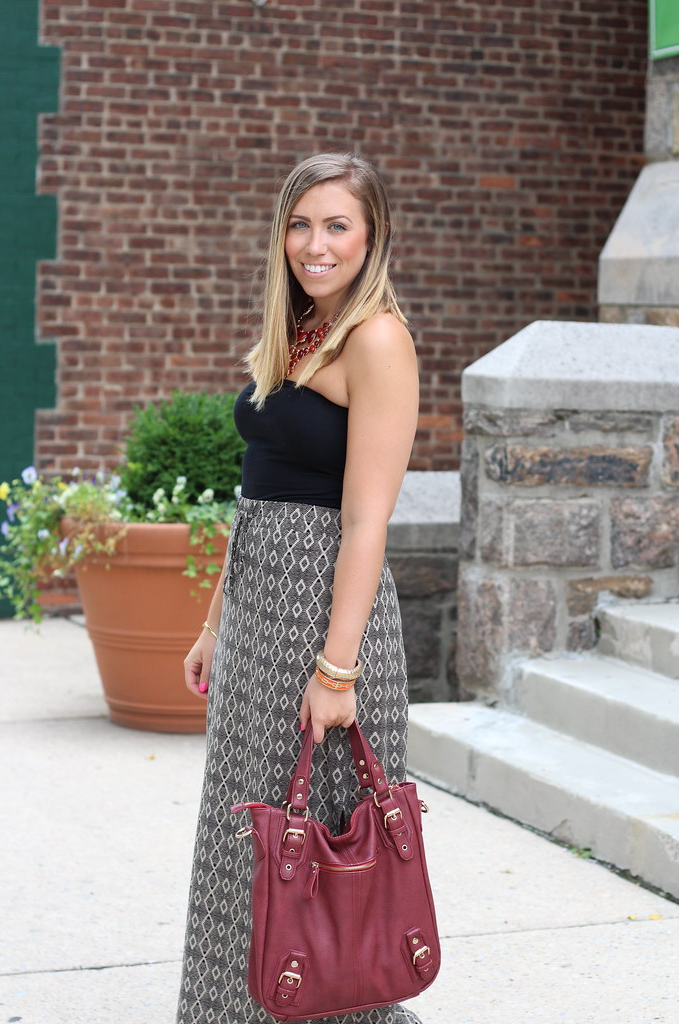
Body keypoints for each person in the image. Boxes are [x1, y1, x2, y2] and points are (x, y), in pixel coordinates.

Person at [177, 152, 422, 1024]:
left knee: (319, 861)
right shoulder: (301, 330)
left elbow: (364, 524)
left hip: (324, 623)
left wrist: (338, 671)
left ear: (371, 236)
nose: (313, 245)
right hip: (257, 618)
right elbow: (259, 489)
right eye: (299, 223)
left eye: (336, 225)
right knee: (250, 841)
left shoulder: (377, 339)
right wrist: (217, 622)